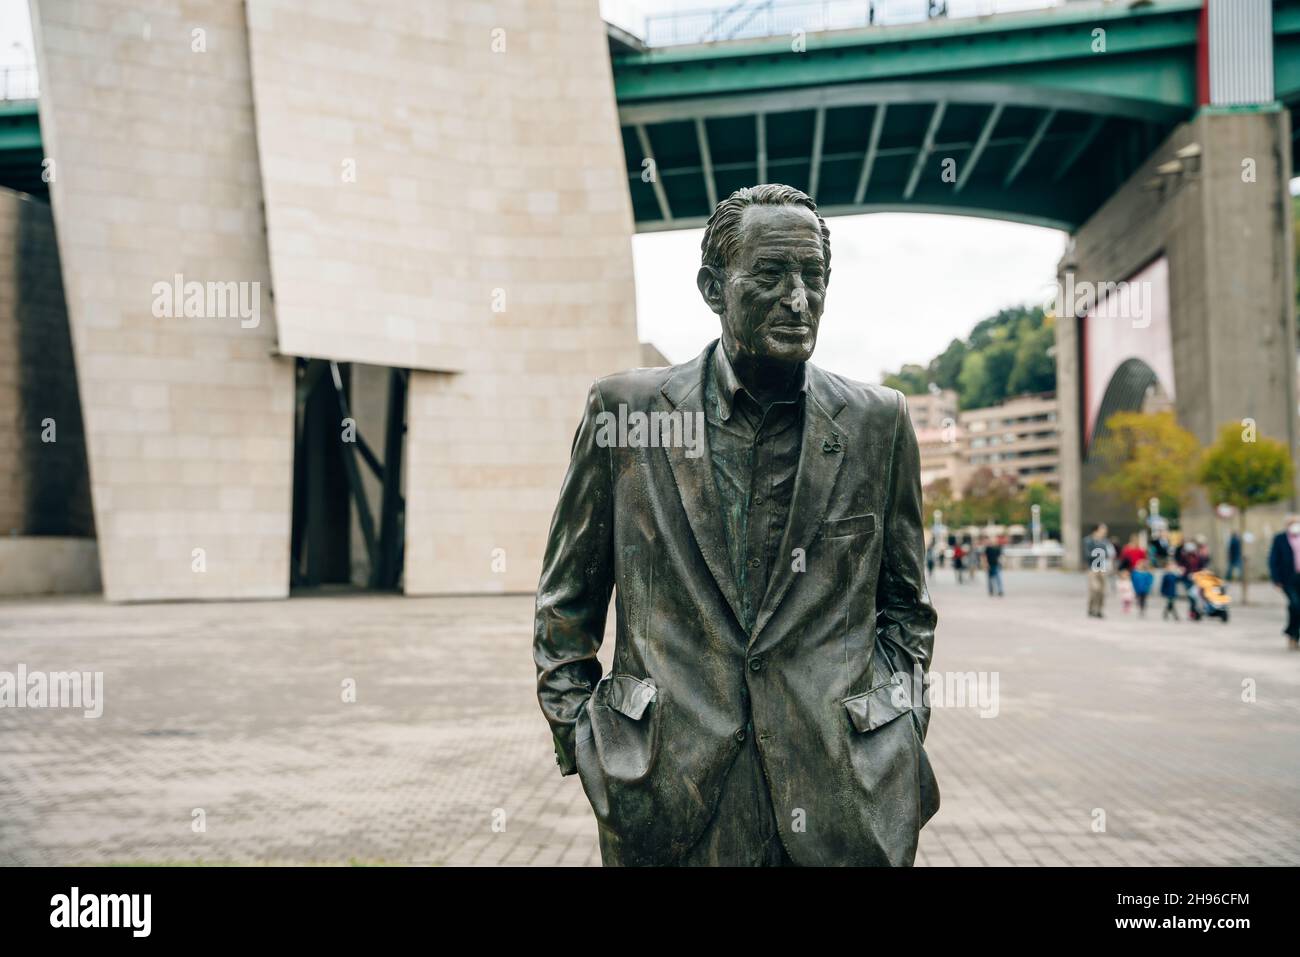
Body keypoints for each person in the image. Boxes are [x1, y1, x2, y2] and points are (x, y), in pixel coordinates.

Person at [534, 184, 938, 867]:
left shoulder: (878, 422)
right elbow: (565, 604)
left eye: (814, 278)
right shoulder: (627, 413)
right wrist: (590, 740)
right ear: (713, 288)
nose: (799, 300)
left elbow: (907, 608)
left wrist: (896, 726)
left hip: (842, 799)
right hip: (666, 801)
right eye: (772, 276)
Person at [1268, 515, 1300, 650]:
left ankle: (1292, 634)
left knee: (1296, 608)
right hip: (1288, 579)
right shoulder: (1280, 539)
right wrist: (1276, 579)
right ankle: (1292, 635)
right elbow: (1273, 560)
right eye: (1292, 523)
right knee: (1295, 604)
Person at [1083, 522, 1113, 617]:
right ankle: (1091, 608)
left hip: (1102, 568)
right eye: (1103, 529)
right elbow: (1087, 554)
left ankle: (1099, 610)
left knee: (1103, 591)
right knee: (1095, 589)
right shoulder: (1088, 540)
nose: (1105, 531)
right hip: (1092, 568)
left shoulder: (1104, 541)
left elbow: (1107, 555)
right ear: (1096, 530)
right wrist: (1099, 554)